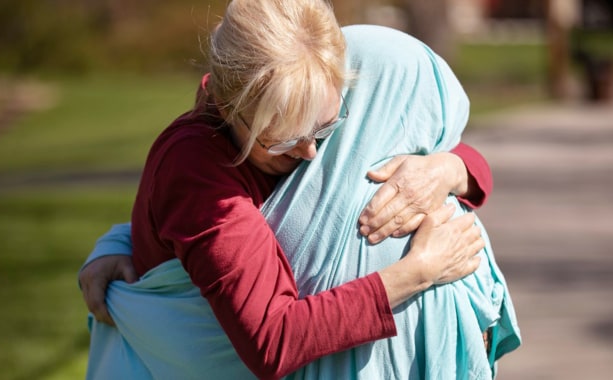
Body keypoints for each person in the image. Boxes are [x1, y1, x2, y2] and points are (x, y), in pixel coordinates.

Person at [79, 1, 520, 379]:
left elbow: (459, 155)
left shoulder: (288, 108)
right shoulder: (198, 169)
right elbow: (272, 340)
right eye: (286, 140)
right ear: (229, 108)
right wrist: (418, 272)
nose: (311, 152)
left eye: (326, 128)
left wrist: (448, 169)